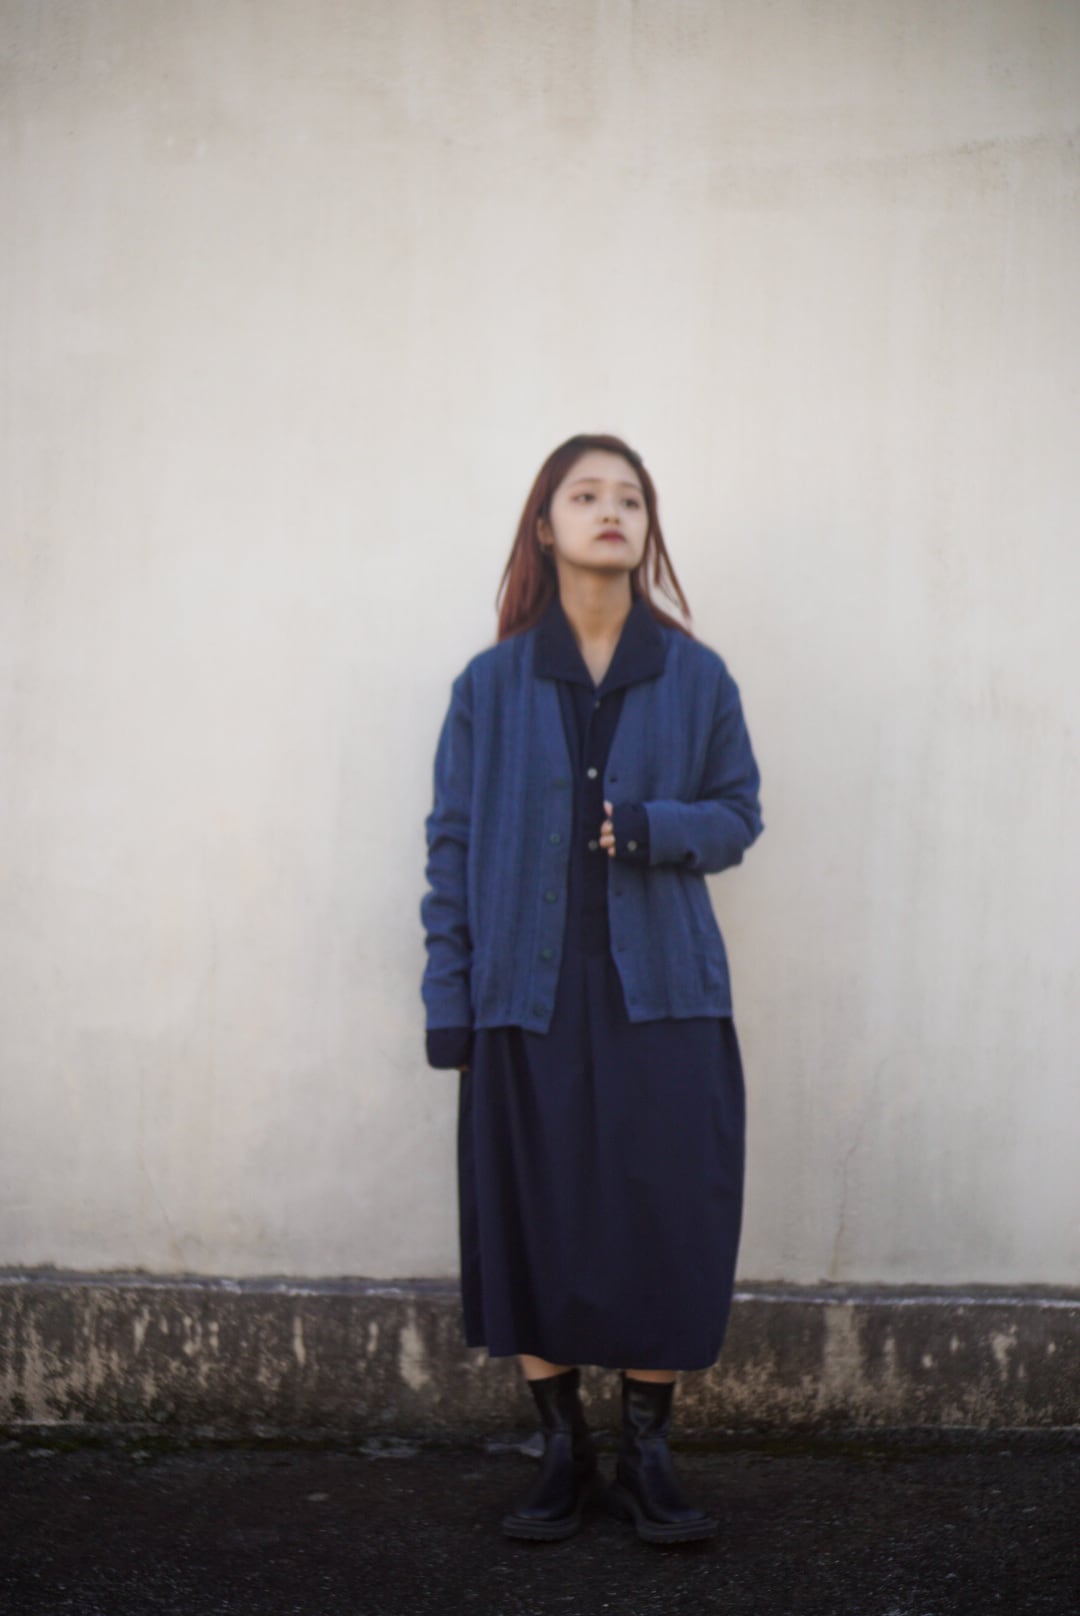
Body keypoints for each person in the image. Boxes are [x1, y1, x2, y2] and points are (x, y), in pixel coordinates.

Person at [420, 432, 764, 1544]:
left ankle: (647, 1451)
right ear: (545, 525)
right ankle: (562, 1447)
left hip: (664, 994)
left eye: (630, 497)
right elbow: (451, 846)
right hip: (524, 997)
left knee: (668, 1214)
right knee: (533, 1216)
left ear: (647, 527)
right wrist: (448, 995)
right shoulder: (489, 686)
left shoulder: (699, 677)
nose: (610, 510)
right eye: (585, 494)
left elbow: (740, 813)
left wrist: (657, 827)